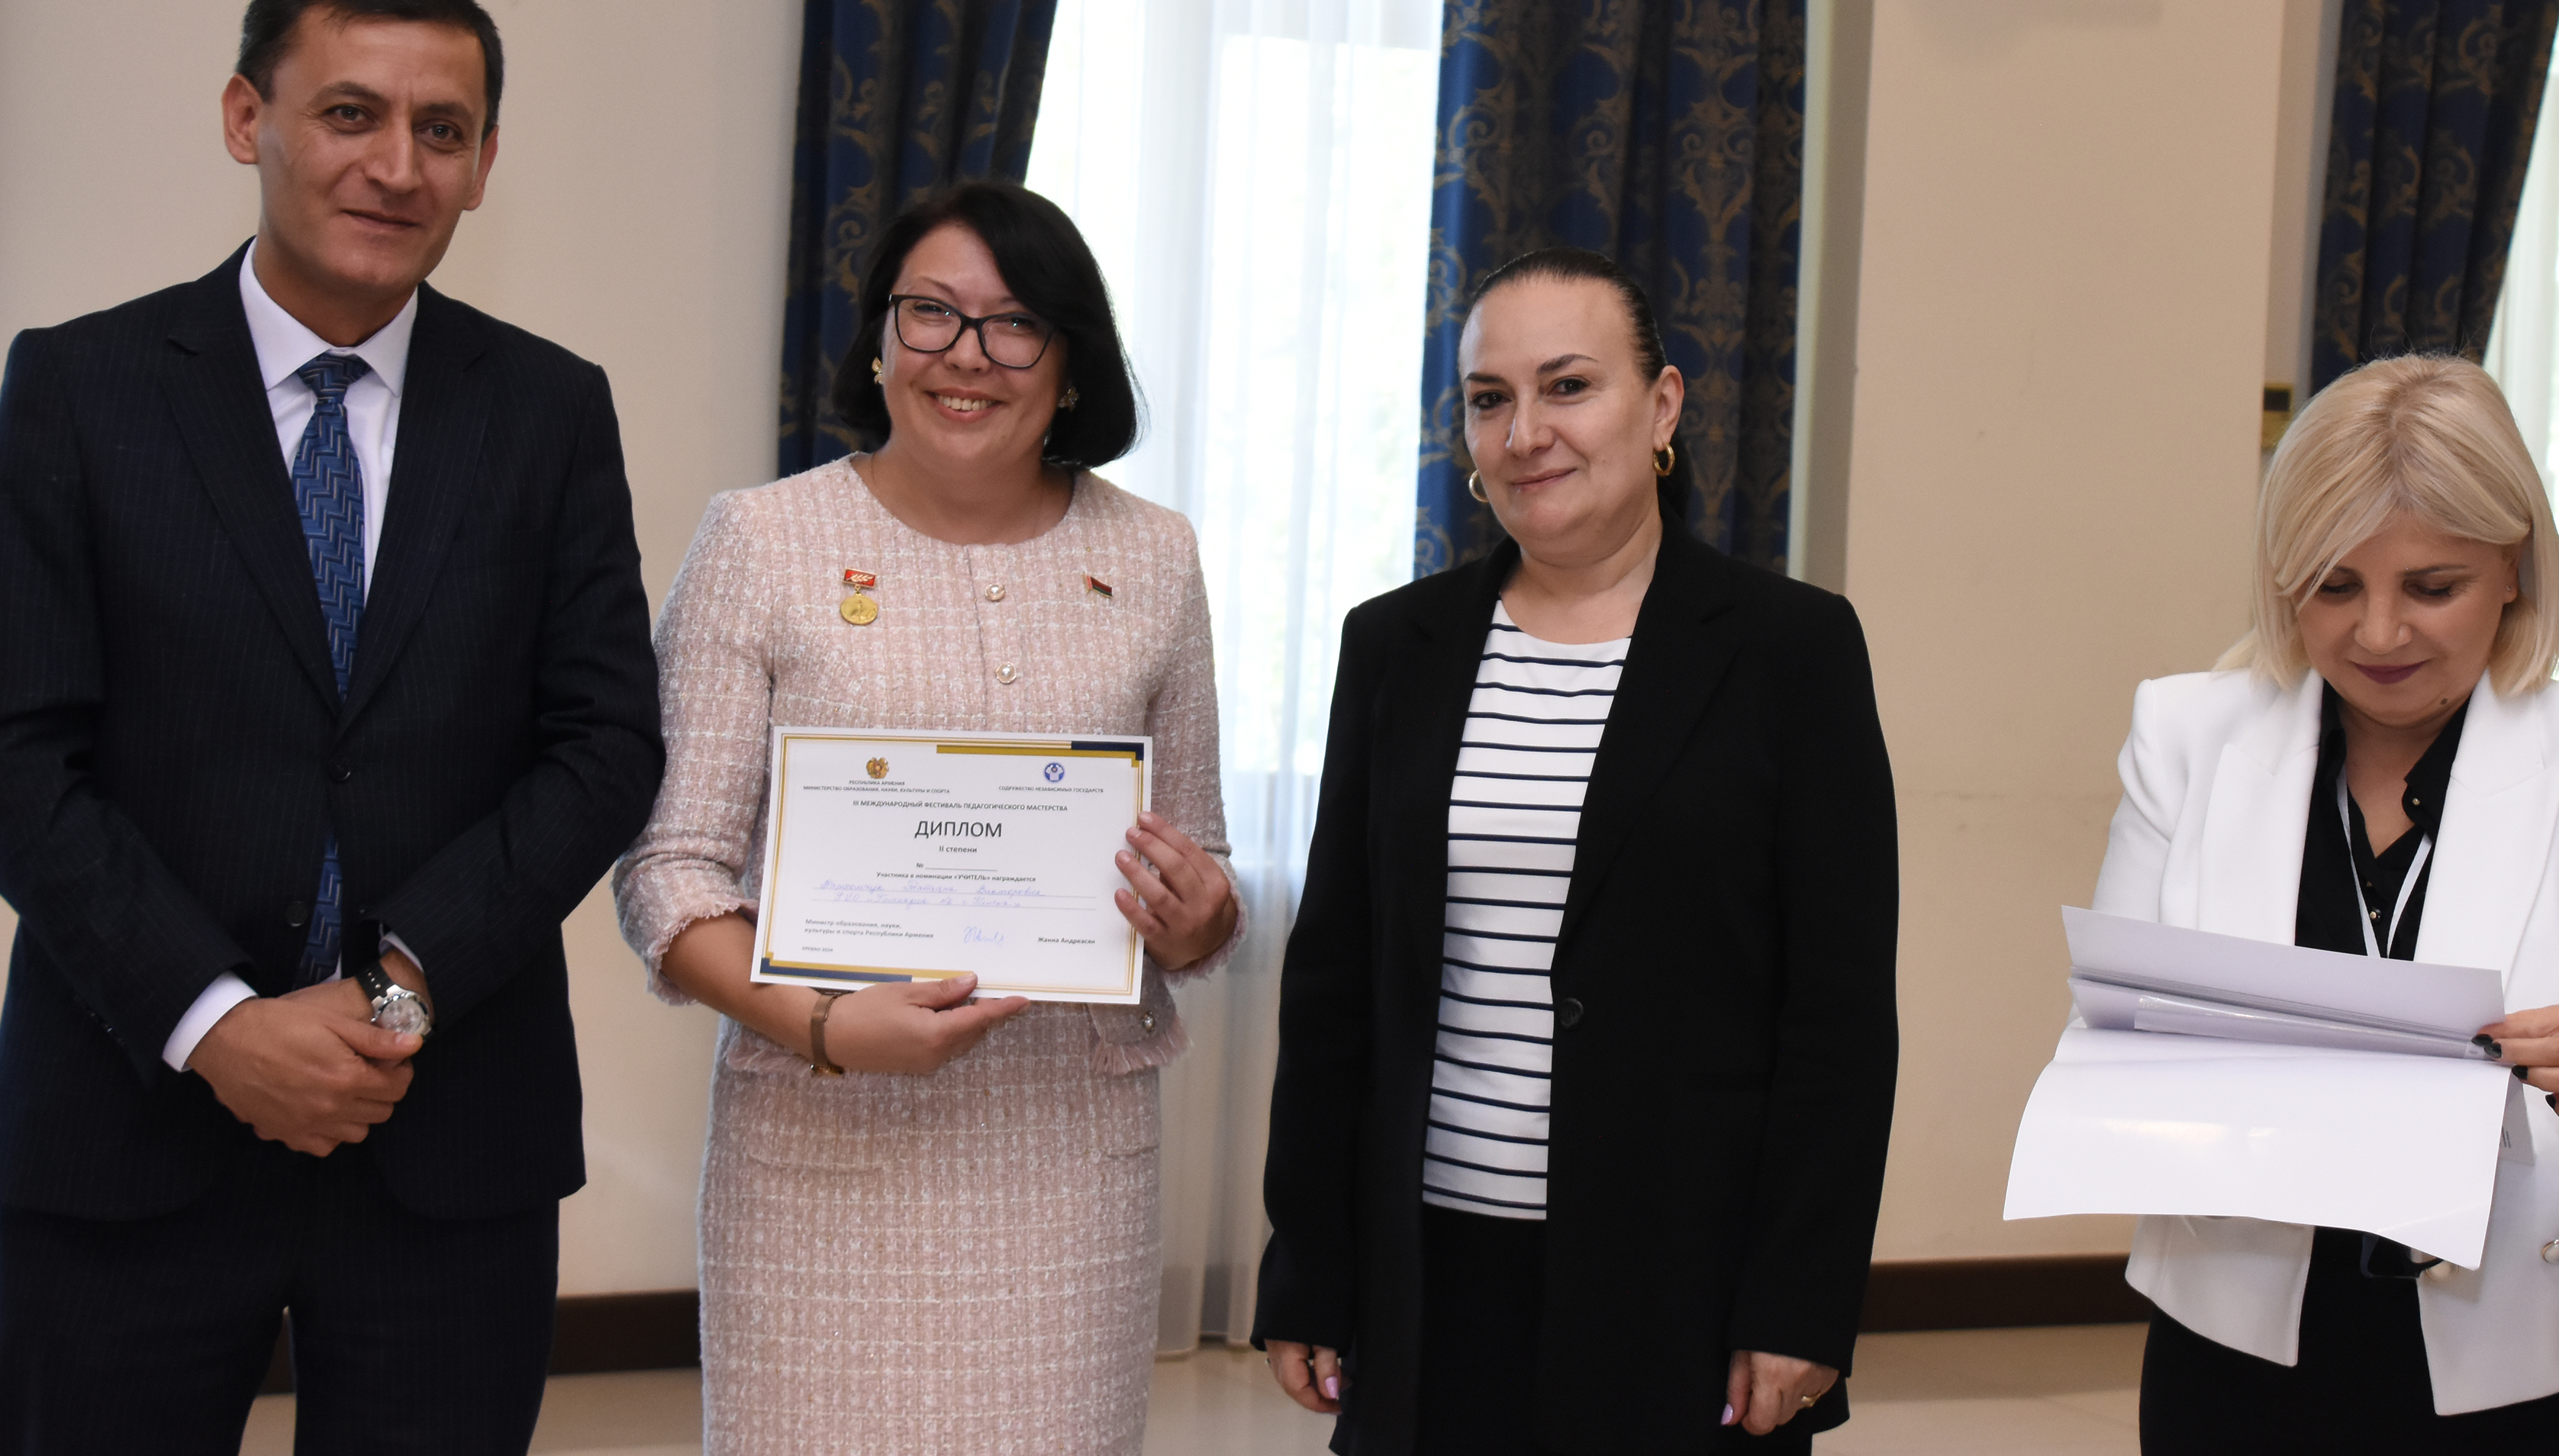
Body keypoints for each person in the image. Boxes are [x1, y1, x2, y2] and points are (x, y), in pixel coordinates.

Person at [0, 0, 665, 1451]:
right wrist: (217, 1021)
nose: (396, 165)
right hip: (127, 1116)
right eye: (351, 112)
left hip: (447, 1132)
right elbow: (10, 753)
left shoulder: (550, 409)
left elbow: (604, 744)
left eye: (442, 129)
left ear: (484, 161)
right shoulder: (81, 389)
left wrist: (398, 987)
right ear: (248, 117)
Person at [611, 180, 1239, 1452]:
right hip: (820, 1149)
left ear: (1071, 363)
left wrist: (1198, 916)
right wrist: (827, 1024)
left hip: (1069, 1164)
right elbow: (668, 872)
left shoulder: (1157, 556)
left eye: (1015, 324)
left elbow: (1203, 867)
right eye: (932, 313)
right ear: (880, 339)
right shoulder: (760, 540)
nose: (967, 354)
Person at [1252, 247, 1899, 1455]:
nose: (1526, 432)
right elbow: (1334, 986)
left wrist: (1801, 1298)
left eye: (1568, 386)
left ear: (1662, 406)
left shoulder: (1791, 649)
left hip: (1684, 1279)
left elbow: (1839, 1017)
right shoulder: (1395, 646)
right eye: (1489, 398)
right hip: (1429, 1273)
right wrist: (1310, 1263)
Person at [2096, 353, 2559, 1452]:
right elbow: (2115, 1051)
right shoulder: (2187, 738)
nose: (2380, 634)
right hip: (2246, 1357)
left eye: (2433, 588)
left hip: (2547, 1367)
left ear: (2516, 569)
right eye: (2334, 587)